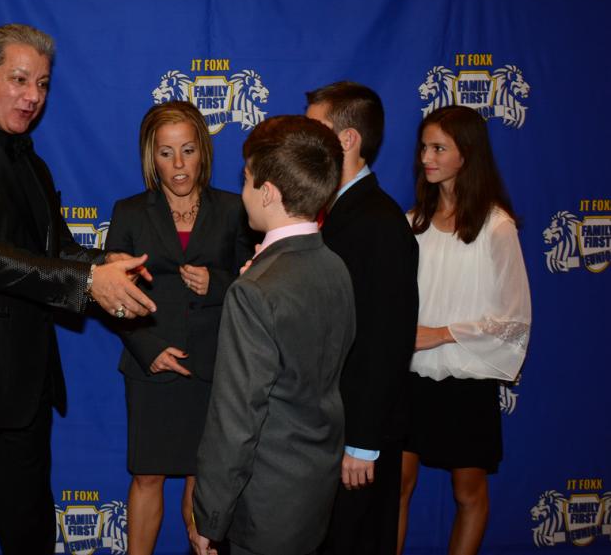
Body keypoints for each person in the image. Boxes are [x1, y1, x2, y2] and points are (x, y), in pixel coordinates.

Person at [0, 24, 157, 554]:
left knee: (31, 537)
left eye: (41, 83)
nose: (33, 96)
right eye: (19, 80)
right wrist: (88, 281)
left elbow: (53, 247)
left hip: (25, 391)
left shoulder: (30, 162)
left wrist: (104, 262)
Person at [192, 115, 355, 555]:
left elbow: (236, 418)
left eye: (245, 180)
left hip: (265, 503)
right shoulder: (334, 266)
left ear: (267, 192)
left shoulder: (254, 291)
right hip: (315, 490)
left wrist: (210, 514)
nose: (241, 191)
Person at [103, 101, 254, 554]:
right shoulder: (129, 212)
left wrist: (217, 283)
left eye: (187, 150)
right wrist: (149, 349)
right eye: (166, 153)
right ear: (152, 157)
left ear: (203, 151)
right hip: (151, 365)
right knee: (147, 476)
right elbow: (113, 298)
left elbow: (258, 286)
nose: (178, 164)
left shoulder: (233, 209)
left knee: (202, 477)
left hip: (213, 367)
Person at [397, 105, 531, 555]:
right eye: (423, 147)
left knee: (468, 493)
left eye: (439, 148)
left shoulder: (497, 226)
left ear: (466, 154)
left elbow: (513, 318)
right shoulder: (412, 223)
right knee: (397, 484)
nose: (426, 157)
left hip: (467, 381)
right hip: (411, 377)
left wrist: (440, 333)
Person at [305, 82, 419, 555]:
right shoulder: (333, 211)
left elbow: (387, 341)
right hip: (327, 429)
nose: (305, 142)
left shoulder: (379, 221)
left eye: (316, 130)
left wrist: (363, 442)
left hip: (358, 440)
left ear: (347, 140)